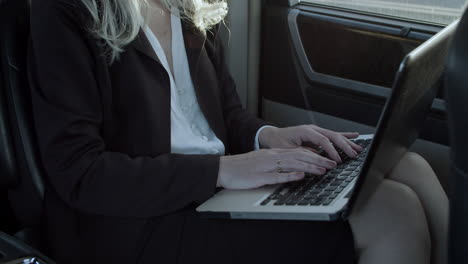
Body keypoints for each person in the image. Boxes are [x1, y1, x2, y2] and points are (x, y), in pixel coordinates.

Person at [28, 0, 448, 263]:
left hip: (214, 188)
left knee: (409, 166)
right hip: (137, 221)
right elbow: (80, 173)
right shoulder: (66, 11)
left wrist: (268, 136)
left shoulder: (186, 7)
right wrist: (221, 171)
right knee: (394, 213)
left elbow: (224, 116)